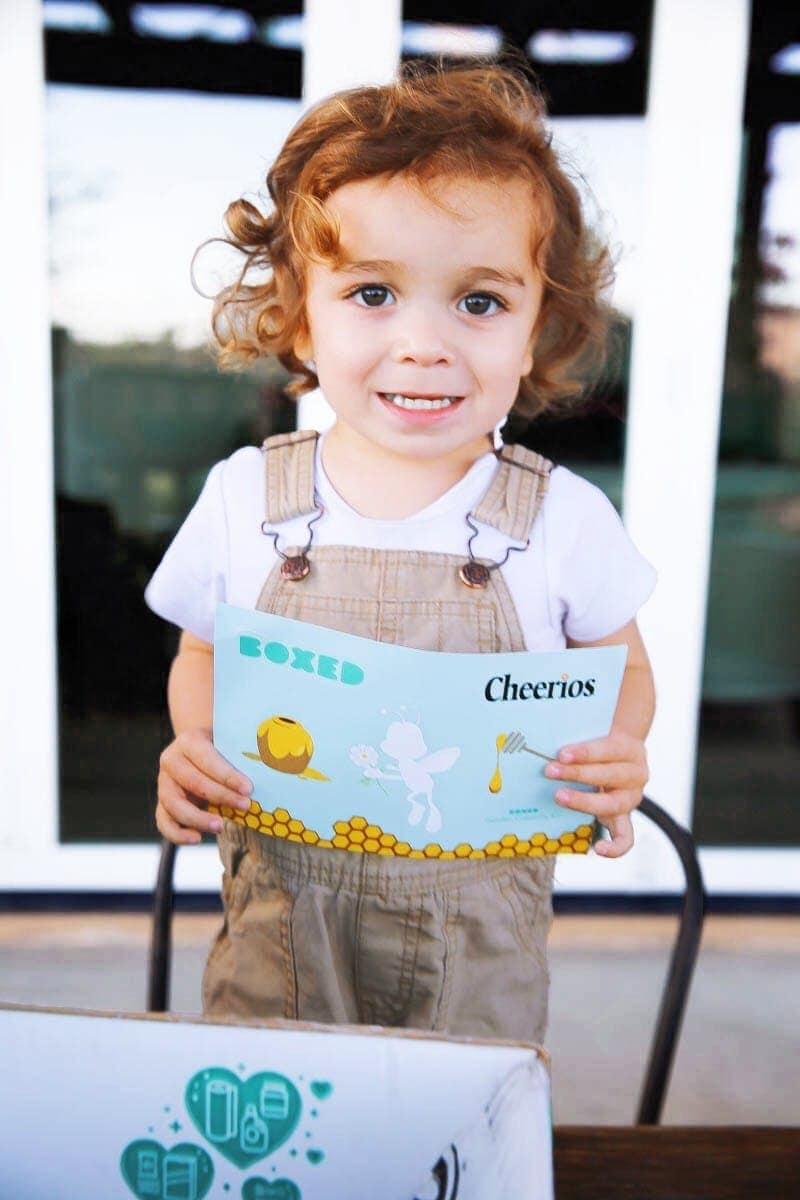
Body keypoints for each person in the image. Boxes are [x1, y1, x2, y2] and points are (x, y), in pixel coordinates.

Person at [145, 58, 656, 1044]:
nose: (423, 344)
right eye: (372, 293)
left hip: (478, 944)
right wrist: (196, 748)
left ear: (533, 326)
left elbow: (620, 667)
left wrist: (618, 748)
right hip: (282, 935)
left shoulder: (562, 520)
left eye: (477, 303)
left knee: (458, 1134)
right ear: (300, 315)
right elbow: (204, 653)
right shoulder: (246, 498)